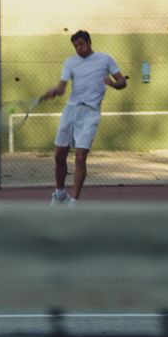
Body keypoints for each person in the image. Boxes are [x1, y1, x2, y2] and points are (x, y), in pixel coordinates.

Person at [42, 30, 127, 206]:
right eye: (75, 46)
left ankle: (74, 201)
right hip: (70, 111)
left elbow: (122, 82)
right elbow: (62, 87)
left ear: (89, 42)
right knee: (59, 155)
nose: (78, 49)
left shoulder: (105, 59)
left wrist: (112, 83)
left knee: (80, 156)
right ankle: (59, 194)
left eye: (81, 44)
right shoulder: (70, 62)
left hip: (91, 112)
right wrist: (54, 91)